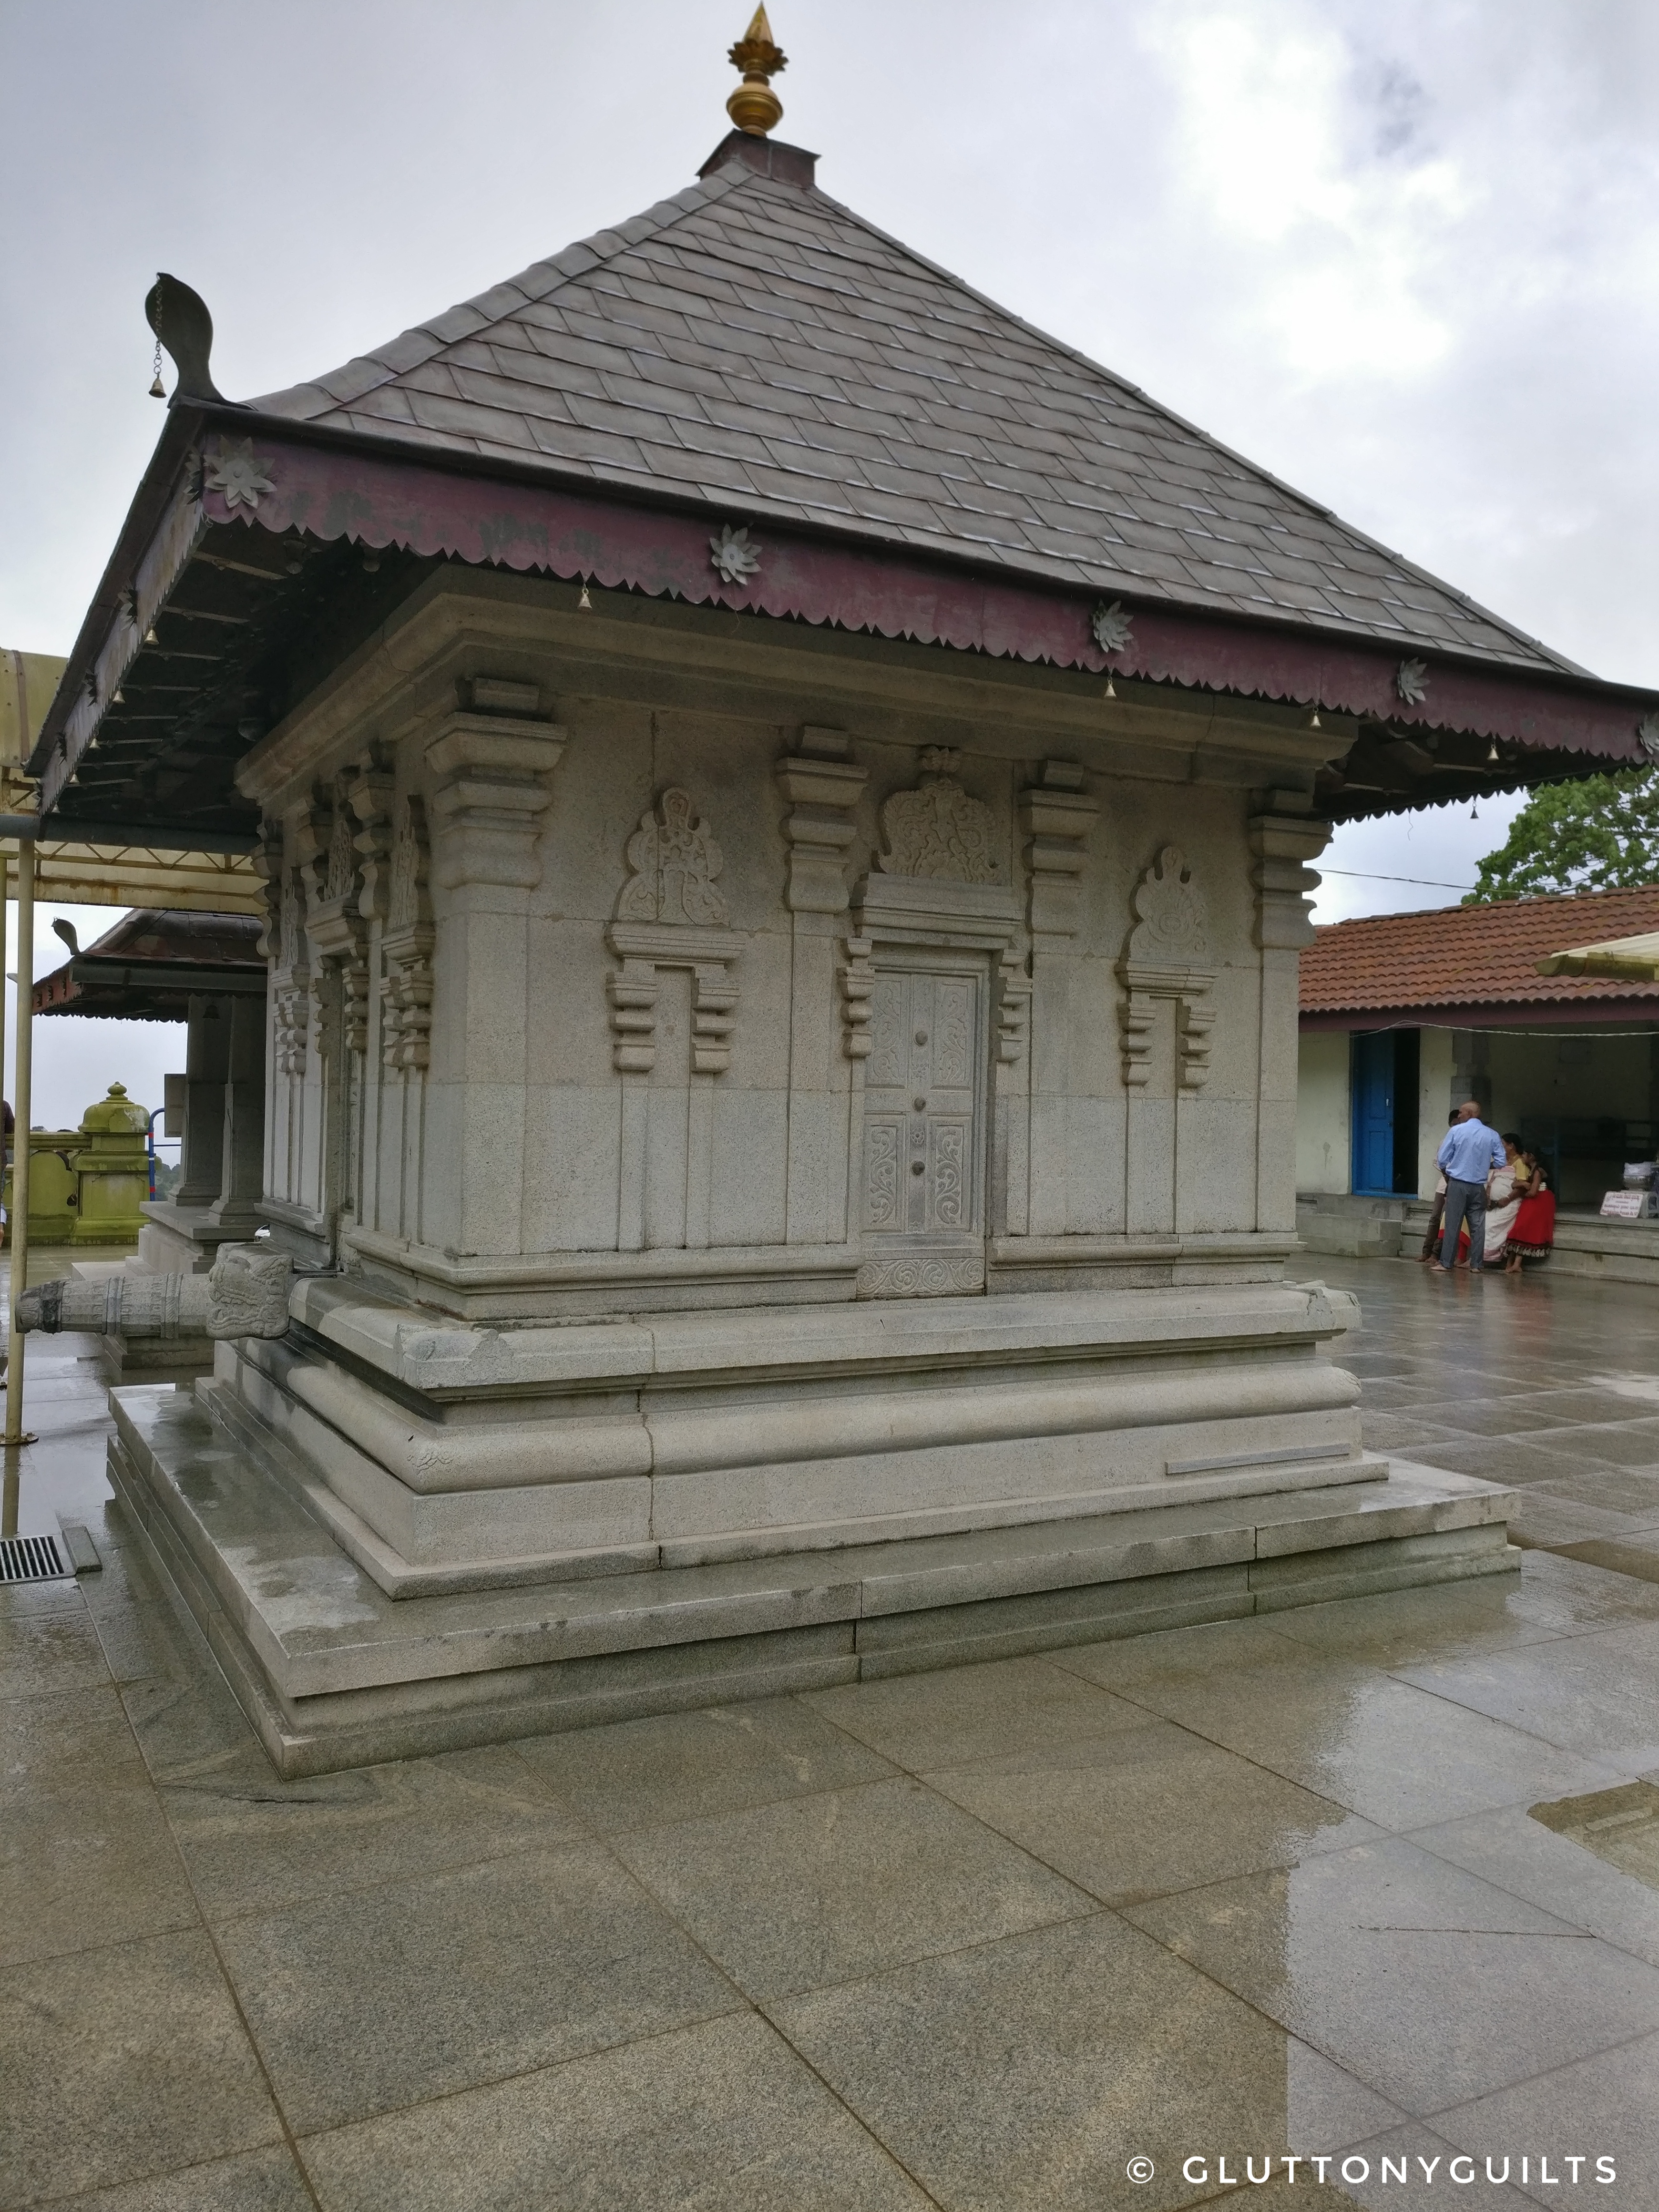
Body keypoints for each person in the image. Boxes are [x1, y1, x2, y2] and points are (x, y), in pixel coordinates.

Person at [1431, 1099, 1505, 1274]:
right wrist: (1487, 1166)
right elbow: (1501, 1161)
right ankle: (1477, 1265)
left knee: (1452, 1224)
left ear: (1470, 1114)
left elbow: (1442, 1159)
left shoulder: (1456, 1131)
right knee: (1478, 1226)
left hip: (1458, 1183)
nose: (1459, 1115)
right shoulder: (1492, 1134)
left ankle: (1446, 1263)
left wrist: (1451, 1167)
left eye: (1461, 1112)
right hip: (1479, 1186)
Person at [1419, 1111, 1463, 1261]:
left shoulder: (1466, 1143)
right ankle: (1426, 1251)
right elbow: (1438, 1162)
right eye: (1454, 1124)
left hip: (1458, 1184)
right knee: (1435, 1218)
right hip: (1444, 1184)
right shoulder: (1445, 1142)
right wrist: (1446, 1174)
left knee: (1446, 1219)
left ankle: (1436, 1253)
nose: (1456, 1127)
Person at [1505, 1151, 1557, 1273]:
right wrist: (1522, 1184)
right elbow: (1516, 1184)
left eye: (1524, 1155)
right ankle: (1511, 1263)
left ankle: (1516, 1264)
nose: (1522, 1157)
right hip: (1534, 1201)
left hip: (1541, 1201)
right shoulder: (1530, 1169)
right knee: (1520, 1227)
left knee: (1524, 1227)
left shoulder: (1538, 1171)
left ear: (1531, 1156)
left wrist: (1521, 1193)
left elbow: (1533, 1192)